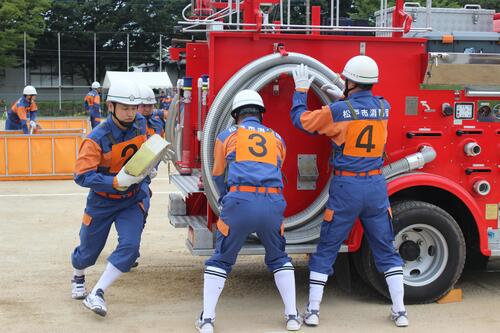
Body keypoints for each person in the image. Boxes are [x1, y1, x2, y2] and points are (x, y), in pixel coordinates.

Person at [290, 57, 408, 327]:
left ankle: (313, 311)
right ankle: (400, 311)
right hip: (376, 186)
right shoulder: (384, 108)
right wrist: (340, 101)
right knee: (385, 248)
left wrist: (300, 92)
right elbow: (363, 111)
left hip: (347, 188)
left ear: (351, 81)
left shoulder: (338, 112)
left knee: (328, 246)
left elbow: (302, 122)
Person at [196, 90, 301, 333]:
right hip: (273, 202)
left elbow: (217, 174)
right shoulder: (277, 137)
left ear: (236, 115)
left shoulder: (226, 135)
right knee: (279, 258)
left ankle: (207, 320)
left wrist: (226, 199)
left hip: (240, 201)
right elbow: (277, 166)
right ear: (260, 114)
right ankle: (293, 316)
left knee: (221, 259)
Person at [70, 79, 152, 317]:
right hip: (102, 201)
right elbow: (81, 176)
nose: (131, 113)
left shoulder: (140, 124)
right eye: (125, 108)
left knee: (130, 247)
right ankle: (78, 275)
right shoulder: (96, 138)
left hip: (131, 199)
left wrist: (148, 168)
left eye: (134, 108)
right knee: (88, 252)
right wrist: (112, 182)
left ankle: (97, 292)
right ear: (111, 107)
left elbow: (143, 152)